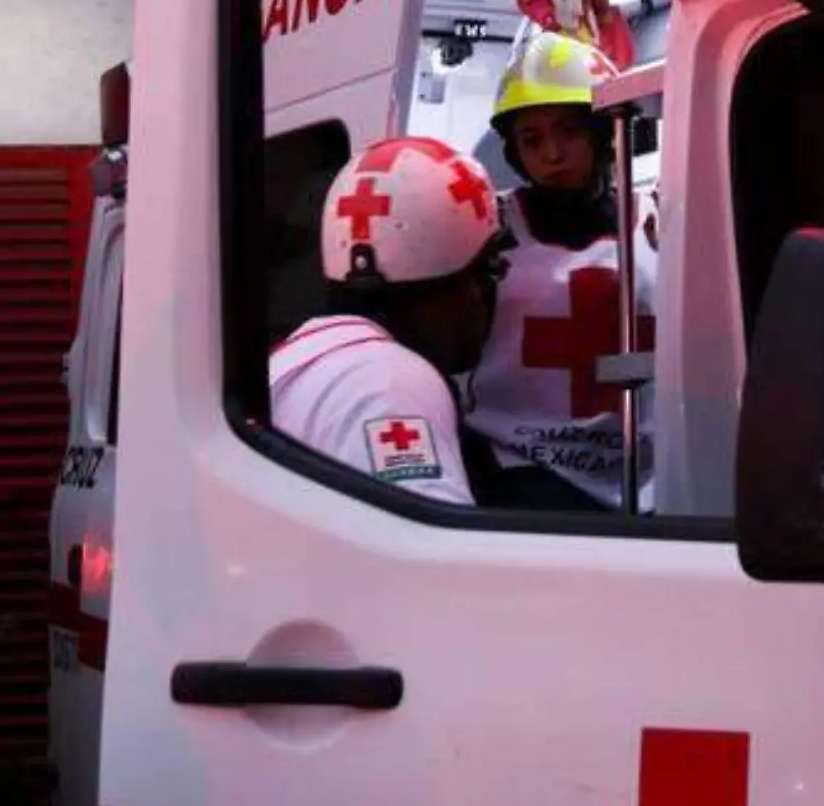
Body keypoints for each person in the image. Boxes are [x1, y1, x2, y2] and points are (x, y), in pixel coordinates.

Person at [461, 30, 660, 513]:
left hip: (651, 478)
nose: (551, 155)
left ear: (602, 133)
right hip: (518, 475)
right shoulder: (482, 229)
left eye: (568, 131)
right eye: (532, 139)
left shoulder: (661, 223)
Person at [269, 135, 504, 505]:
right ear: (468, 282)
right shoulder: (391, 384)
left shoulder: (302, 353)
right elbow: (429, 554)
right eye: (490, 271)